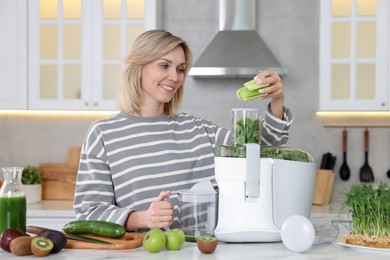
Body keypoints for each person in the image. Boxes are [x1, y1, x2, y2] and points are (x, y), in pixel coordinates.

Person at [73, 29, 293, 231]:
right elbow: (88, 212)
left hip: (207, 251)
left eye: (180, 69)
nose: (175, 77)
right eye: (164, 65)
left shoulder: (199, 130)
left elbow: (261, 152)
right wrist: (142, 218)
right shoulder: (103, 134)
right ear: (138, 66)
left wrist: (277, 100)